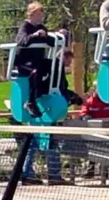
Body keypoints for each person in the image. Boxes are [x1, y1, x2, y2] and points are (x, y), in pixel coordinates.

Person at [22, 45, 84, 185]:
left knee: (36, 142)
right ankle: (50, 174)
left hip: (45, 107)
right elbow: (55, 88)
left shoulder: (52, 70)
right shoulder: (53, 70)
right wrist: (72, 97)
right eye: (69, 60)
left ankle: (30, 174)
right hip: (45, 108)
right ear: (64, 57)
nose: (69, 64)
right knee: (45, 142)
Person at [14, 1, 56, 115]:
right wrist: (35, 35)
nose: (41, 17)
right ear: (31, 14)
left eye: (41, 15)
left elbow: (52, 42)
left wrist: (45, 36)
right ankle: (30, 102)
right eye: (38, 14)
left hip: (37, 61)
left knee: (55, 65)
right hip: (24, 62)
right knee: (35, 72)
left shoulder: (41, 27)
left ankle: (48, 91)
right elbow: (21, 41)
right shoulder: (25, 27)